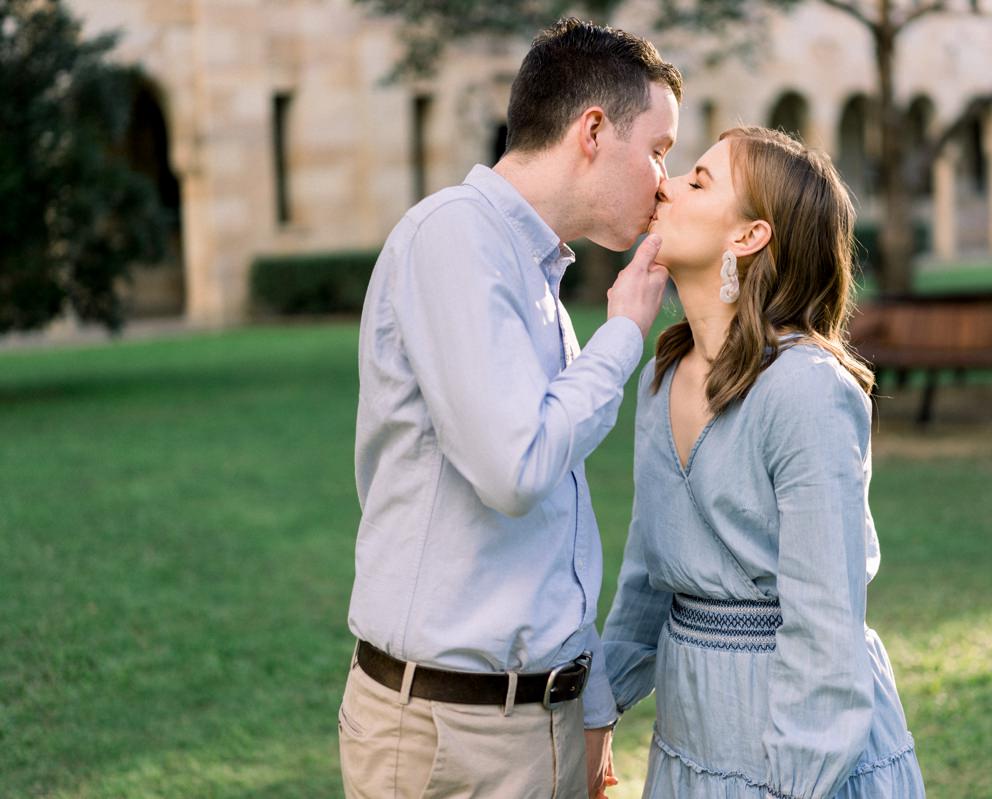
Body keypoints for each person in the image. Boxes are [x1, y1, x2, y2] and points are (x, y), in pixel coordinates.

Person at [338, 18, 682, 799]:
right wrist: (624, 333)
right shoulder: (455, 236)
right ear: (592, 130)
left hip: (540, 722)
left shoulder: (537, 276)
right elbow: (515, 467)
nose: (665, 180)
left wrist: (587, 704)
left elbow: (552, 522)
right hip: (449, 737)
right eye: (658, 150)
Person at [600, 127, 926, 798]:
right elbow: (646, 566)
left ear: (748, 236)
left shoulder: (806, 389)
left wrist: (796, 778)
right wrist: (599, 707)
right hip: (691, 733)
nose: (665, 183)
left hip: (799, 750)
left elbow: (825, 623)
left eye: (698, 181)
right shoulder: (661, 375)